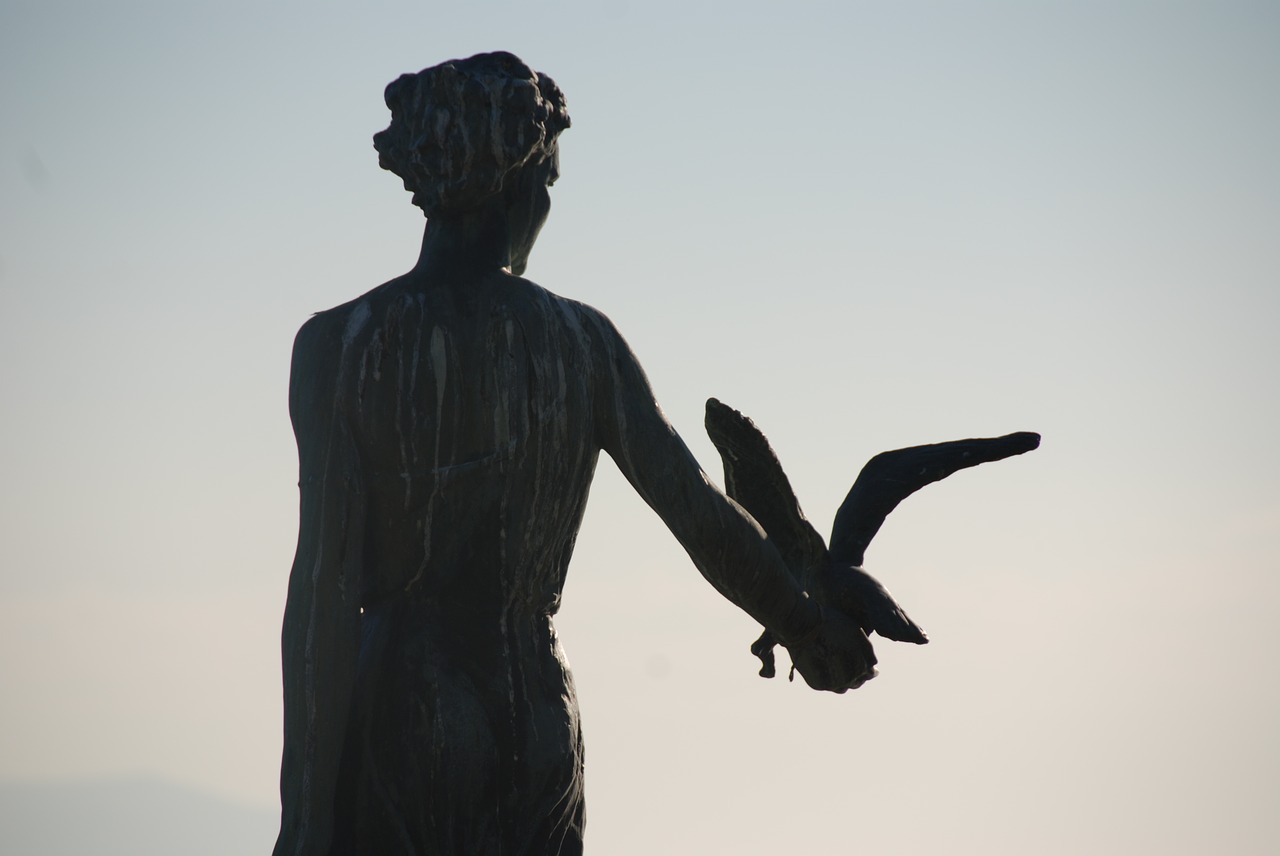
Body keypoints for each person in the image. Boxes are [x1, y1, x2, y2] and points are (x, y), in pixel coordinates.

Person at [273, 51, 874, 856]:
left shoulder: (338, 347)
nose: (546, 207)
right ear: (515, 177)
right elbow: (696, 508)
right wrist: (803, 624)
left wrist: (306, 820)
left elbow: (323, 591)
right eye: (548, 183)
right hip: (539, 712)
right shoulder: (583, 341)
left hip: (407, 711)